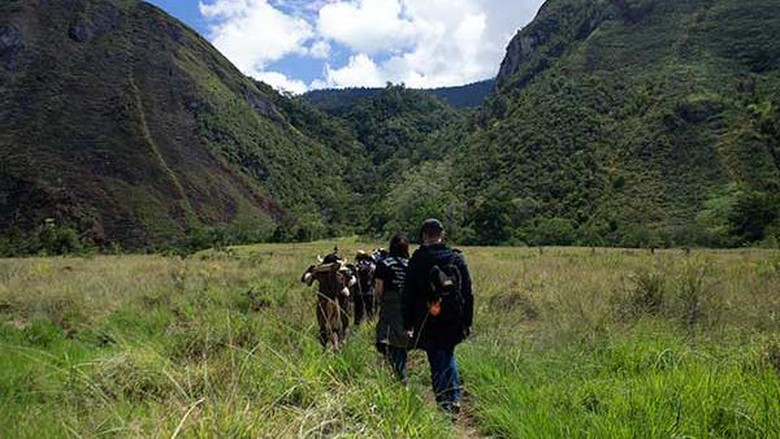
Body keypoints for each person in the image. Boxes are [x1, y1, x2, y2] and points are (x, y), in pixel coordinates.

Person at [404, 219, 473, 413]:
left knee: (435, 357)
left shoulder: (418, 259)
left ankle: (444, 402)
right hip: (453, 317)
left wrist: (407, 323)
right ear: (441, 235)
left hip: (427, 317)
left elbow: (408, 293)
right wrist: (467, 321)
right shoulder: (456, 258)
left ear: (424, 235)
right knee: (448, 352)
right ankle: (454, 397)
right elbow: (468, 292)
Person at [374, 235, 411, 382]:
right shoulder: (410, 264)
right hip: (407, 305)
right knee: (402, 340)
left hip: (390, 305)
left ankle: (400, 376)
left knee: (386, 339)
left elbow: (378, 289)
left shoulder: (384, 264)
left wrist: (380, 302)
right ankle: (399, 372)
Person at [301, 252, 355, 351]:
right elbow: (351, 283)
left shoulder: (319, 273)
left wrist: (311, 271)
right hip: (340, 301)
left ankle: (324, 348)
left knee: (322, 327)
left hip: (323, 300)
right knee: (343, 324)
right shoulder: (342, 272)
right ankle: (342, 343)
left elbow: (306, 281)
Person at [353, 251, 376, 325]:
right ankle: (370, 326)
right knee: (370, 311)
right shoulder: (372, 266)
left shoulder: (356, 267)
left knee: (358, 312)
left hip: (358, 292)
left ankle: (357, 326)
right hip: (369, 292)